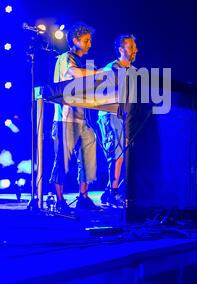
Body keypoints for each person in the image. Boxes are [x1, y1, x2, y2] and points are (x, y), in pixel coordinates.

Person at [50, 22, 101, 213]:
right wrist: (101, 74)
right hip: (65, 118)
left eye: (90, 41)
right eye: (86, 41)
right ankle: (60, 201)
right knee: (62, 160)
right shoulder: (65, 58)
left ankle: (83, 197)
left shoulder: (83, 62)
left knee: (89, 153)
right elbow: (75, 75)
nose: (89, 44)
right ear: (75, 40)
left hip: (81, 119)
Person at [98, 34, 138, 207]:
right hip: (110, 114)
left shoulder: (134, 70)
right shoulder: (112, 68)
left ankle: (110, 191)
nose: (135, 50)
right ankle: (112, 192)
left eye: (135, 47)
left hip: (125, 116)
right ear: (121, 49)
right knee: (116, 153)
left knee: (123, 154)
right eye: (131, 47)